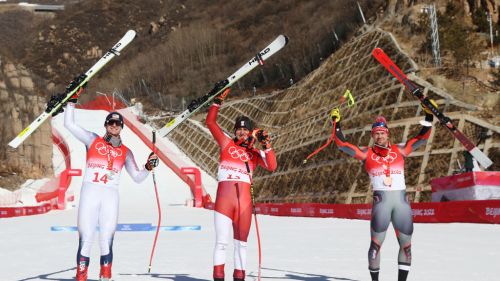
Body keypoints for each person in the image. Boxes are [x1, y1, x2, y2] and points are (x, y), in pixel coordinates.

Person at [48, 86, 159, 281]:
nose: (114, 125)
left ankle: (105, 276)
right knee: (86, 239)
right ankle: (81, 276)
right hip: (90, 193)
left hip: (110, 196)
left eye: (118, 123)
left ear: (122, 127)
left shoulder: (126, 152)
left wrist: (149, 167)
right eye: (111, 122)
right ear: (106, 125)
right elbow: (69, 124)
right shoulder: (92, 140)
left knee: (106, 240)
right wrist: (72, 101)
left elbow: (138, 178)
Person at [331, 101, 435, 281]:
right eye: (376, 134)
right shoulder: (367, 153)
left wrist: (429, 116)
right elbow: (342, 145)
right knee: (374, 247)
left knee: (406, 247)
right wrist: (336, 123)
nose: (379, 136)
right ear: (373, 136)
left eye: (382, 133)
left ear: (387, 134)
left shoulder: (399, 150)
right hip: (382, 203)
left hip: (401, 203)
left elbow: (422, 139)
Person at [206, 90, 277, 281]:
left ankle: (239, 277)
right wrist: (217, 102)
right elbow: (211, 123)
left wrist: (267, 146)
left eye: (246, 129)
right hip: (224, 202)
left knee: (241, 244)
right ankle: (218, 277)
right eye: (239, 129)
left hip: (244, 204)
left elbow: (272, 166)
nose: (242, 131)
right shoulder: (226, 144)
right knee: (221, 243)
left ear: (251, 132)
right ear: (235, 131)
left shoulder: (254, 154)